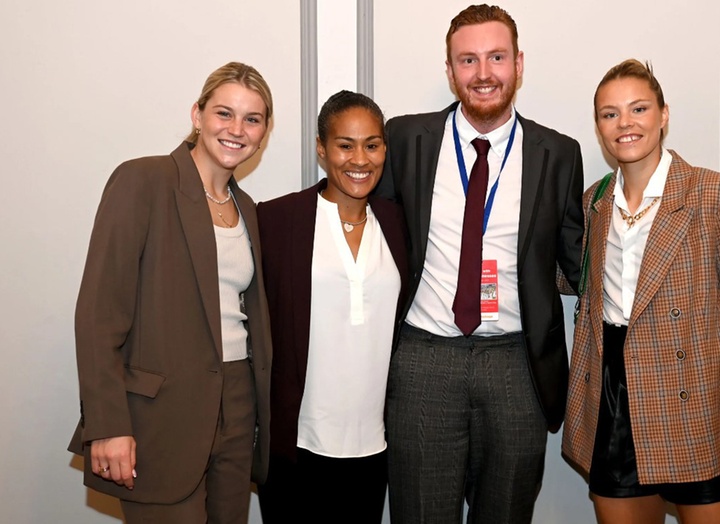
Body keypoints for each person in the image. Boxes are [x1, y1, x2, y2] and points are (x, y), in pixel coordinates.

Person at [375, 4, 585, 522]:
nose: (483, 73)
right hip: (424, 359)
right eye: (467, 60)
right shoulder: (403, 140)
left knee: (507, 513)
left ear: (518, 63)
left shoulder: (558, 153)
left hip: (518, 362)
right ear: (449, 71)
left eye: (496, 57)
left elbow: (581, 260)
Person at [561, 59, 720, 524]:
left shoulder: (716, 196)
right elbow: (569, 278)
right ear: (599, 126)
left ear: (664, 114)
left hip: (695, 406)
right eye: (609, 114)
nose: (625, 124)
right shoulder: (593, 201)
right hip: (612, 400)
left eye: (638, 108)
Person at [68, 62, 274, 524]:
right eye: (224, 113)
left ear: (263, 132)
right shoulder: (145, 181)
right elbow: (99, 315)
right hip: (159, 418)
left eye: (252, 119)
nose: (236, 129)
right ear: (197, 115)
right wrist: (108, 425)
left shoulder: (250, 212)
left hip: (237, 408)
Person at [256, 91, 409, 524]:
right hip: (297, 445)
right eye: (345, 145)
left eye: (372, 144)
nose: (360, 159)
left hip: (372, 446)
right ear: (322, 149)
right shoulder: (278, 220)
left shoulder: (398, 224)